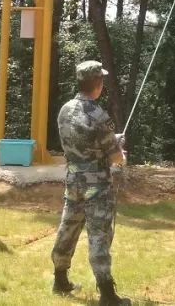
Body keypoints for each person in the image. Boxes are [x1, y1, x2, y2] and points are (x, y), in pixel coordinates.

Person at [50, 60, 130, 306]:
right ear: (97, 83)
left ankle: (60, 278)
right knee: (99, 233)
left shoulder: (65, 109)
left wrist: (111, 140)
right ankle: (107, 293)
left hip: (73, 179)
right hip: (96, 184)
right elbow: (115, 157)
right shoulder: (98, 115)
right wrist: (121, 153)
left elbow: (80, 140)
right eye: (102, 80)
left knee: (69, 227)